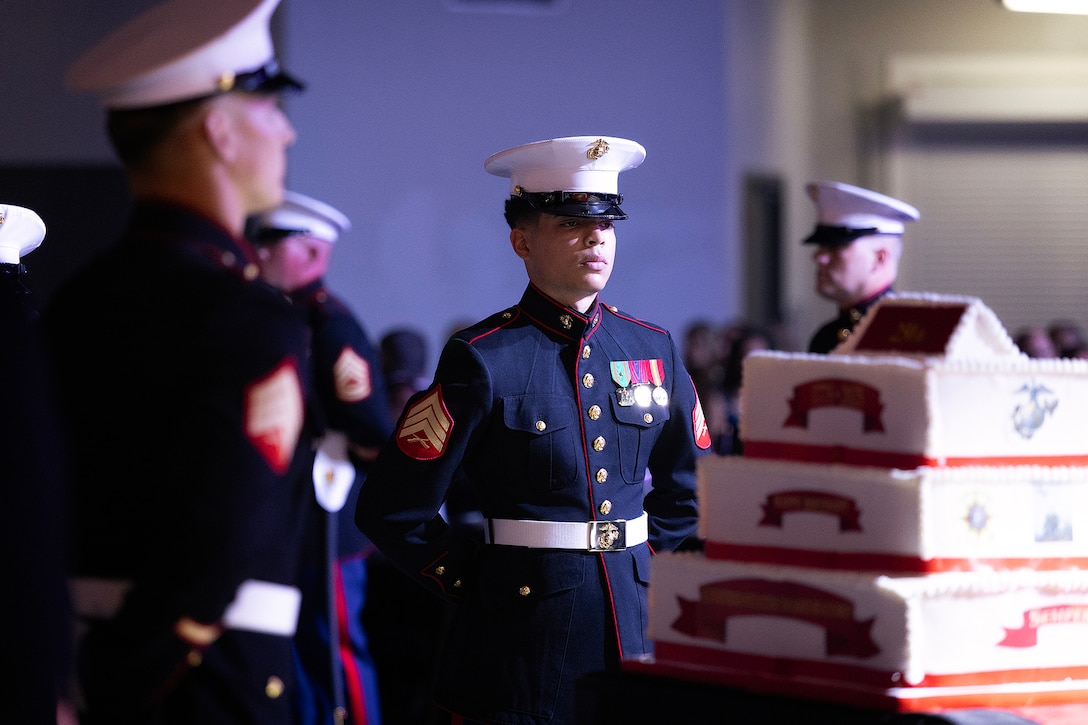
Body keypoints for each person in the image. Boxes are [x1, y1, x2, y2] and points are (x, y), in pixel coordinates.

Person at [356, 135, 710, 725]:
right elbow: (393, 509)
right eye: (572, 222)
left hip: (633, 628)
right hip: (520, 640)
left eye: (607, 224)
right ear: (522, 240)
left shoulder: (652, 348)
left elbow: (694, 490)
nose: (596, 236)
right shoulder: (484, 357)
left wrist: (647, 568)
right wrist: (480, 582)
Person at [43, 1, 314, 722]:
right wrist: (118, 681)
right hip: (204, 679)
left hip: (72, 664)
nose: (286, 130)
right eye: (269, 106)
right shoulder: (246, 314)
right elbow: (219, 542)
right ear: (219, 131)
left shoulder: (76, 300)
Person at [250, 191, 394, 725]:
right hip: (286, 513)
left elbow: (371, 425)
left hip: (325, 511)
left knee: (332, 646)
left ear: (312, 254)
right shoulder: (276, 317)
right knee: (289, 646)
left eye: (273, 241)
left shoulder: (329, 324)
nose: (258, 252)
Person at [804, 180, 919, 354]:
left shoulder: (907, 336)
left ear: (878, 259)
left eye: (836, 247)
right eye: (821, 246)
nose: (818, 256)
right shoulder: (826, 338)